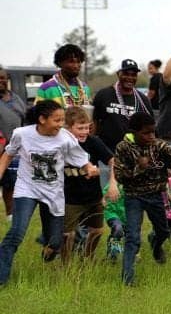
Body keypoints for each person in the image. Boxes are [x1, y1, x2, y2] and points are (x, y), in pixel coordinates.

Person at [0, 101, 98, 285]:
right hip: (26, 189)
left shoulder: (65, 138)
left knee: (55, 243)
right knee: (16, 232)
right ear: (42, 119)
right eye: (57, 120)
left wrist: (88, 167)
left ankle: (49, 247)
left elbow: (79, 157)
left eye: (62, 119)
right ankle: (1, 278)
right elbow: (8, 153)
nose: (61, 124)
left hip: (53, 193)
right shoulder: (22, 134)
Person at [114, 111, 171, 286]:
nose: (151, 136)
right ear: (134, 132)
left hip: (155, 195)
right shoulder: (123, 148)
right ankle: (127, 279)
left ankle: (156, 244)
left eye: (153, 132)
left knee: (163, 232)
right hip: (133, 196)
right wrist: (139, 168)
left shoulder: (159, 146)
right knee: (132, 237)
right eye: (146, 133)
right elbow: (120, 176)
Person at [62, 106, 119, 262]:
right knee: (68, 234)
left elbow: (113, 161)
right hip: (70, 198)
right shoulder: (62, 144)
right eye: (80, 128)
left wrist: (112, 182)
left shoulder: (93, 141)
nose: (84, 132)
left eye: (87, 128)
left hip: (93, 196)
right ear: (68, 128)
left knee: (97, 230)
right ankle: (65, 266)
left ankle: (87, 258)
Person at [92, 59, 154, 153]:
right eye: (126, 74)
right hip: (106, 154)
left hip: (134, 155)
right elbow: (94, 122)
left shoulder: (143, 100)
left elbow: (151, 129)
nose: (130, 77)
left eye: (133, 75)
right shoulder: (103, 95)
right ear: (118, 74)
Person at [0, 65, 27, 222]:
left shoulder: (15, 98)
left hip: (14, 148)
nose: (1, 81)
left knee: (11, 182)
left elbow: (24, 119)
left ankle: (10, 215)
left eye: (3, 78)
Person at [34, 44, 91, 108]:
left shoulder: (85, 88)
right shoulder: (46, 88)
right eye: (71, 62)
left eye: (78, 62)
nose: (76, 66)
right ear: (59, 63)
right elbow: (37, 115)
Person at [103, 181, 125, 262]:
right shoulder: (111, 186)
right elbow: (103, 198)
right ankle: (112, 254)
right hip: (112, 214)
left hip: (126, 216)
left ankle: (131, 254)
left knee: (129, 235)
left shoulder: (131, 186)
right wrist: (104, 200)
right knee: (118, 229)